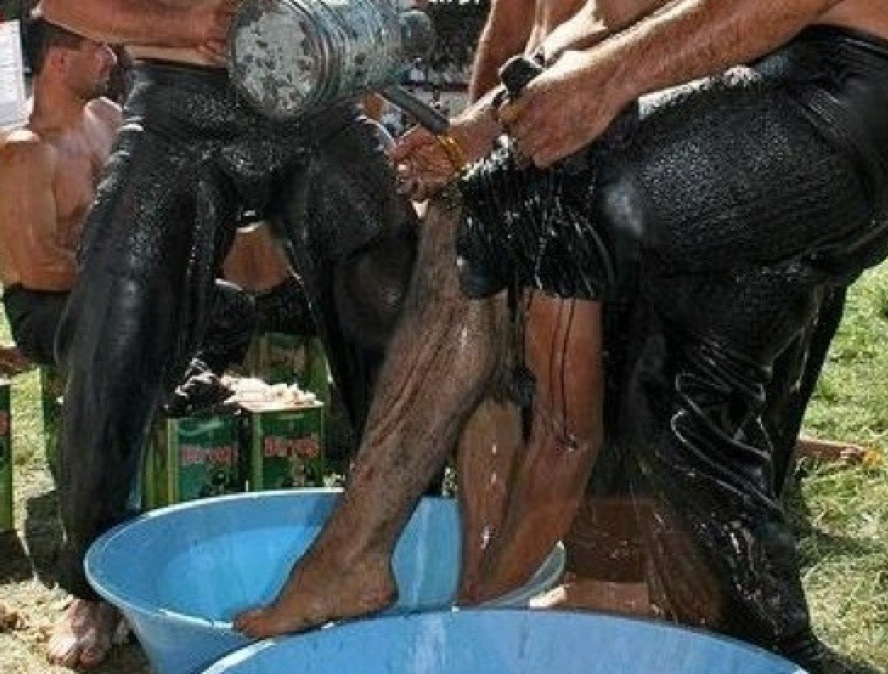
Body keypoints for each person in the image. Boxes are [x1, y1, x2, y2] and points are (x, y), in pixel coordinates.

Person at [234, 0, 888, 671]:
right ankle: (776, 653)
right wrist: (480, 126)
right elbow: (614, 12)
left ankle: (351, 554)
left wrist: (603, 82)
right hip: (817, 91)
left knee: (479, 216)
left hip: (843, 87)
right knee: (678, 408)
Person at [38, 0, 419, 668]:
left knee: (398, 311)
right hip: (180, 107)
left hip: (319, 108)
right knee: (114, 328)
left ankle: (406, 544)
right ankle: (91, 579)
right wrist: (185, 25)